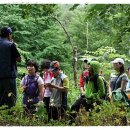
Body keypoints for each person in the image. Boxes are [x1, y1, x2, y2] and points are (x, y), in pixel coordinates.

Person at [0, 26, 21, 109]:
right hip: (9, 76)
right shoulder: (10, 44)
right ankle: (10, 116)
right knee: (10, 99)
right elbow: (19, 59)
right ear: (9, 34)